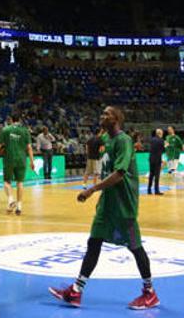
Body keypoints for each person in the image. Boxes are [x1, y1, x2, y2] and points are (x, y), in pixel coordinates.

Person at [48, 106, 159, 310]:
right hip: (107, 205)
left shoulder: (123, 141)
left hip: (124, 206)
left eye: (107, 114)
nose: (102, 116)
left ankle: (150, 292)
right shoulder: (106, 140)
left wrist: (92, 190)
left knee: (135, 247)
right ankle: (76, 291)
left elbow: (119, 173)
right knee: (94, 242)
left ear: (117, 118)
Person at [0, 113, 34, 216]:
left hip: (9, 159)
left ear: (10, 119)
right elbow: (29, 148)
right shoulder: (25, 131)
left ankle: (11, 200)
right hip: (22, 159)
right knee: (20, 183)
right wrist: (32, 161)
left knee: (7, 182)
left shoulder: (6, 130)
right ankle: (19, 206)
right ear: (19, 120)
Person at [148, 129, 165, 195]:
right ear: (160, 133)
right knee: (157, 175)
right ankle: (156, 190)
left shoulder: (152, 140)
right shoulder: (161, 140)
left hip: (151, 158)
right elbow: (163, 150)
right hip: (157, 159)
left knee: (151, 174)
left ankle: (149, 190)